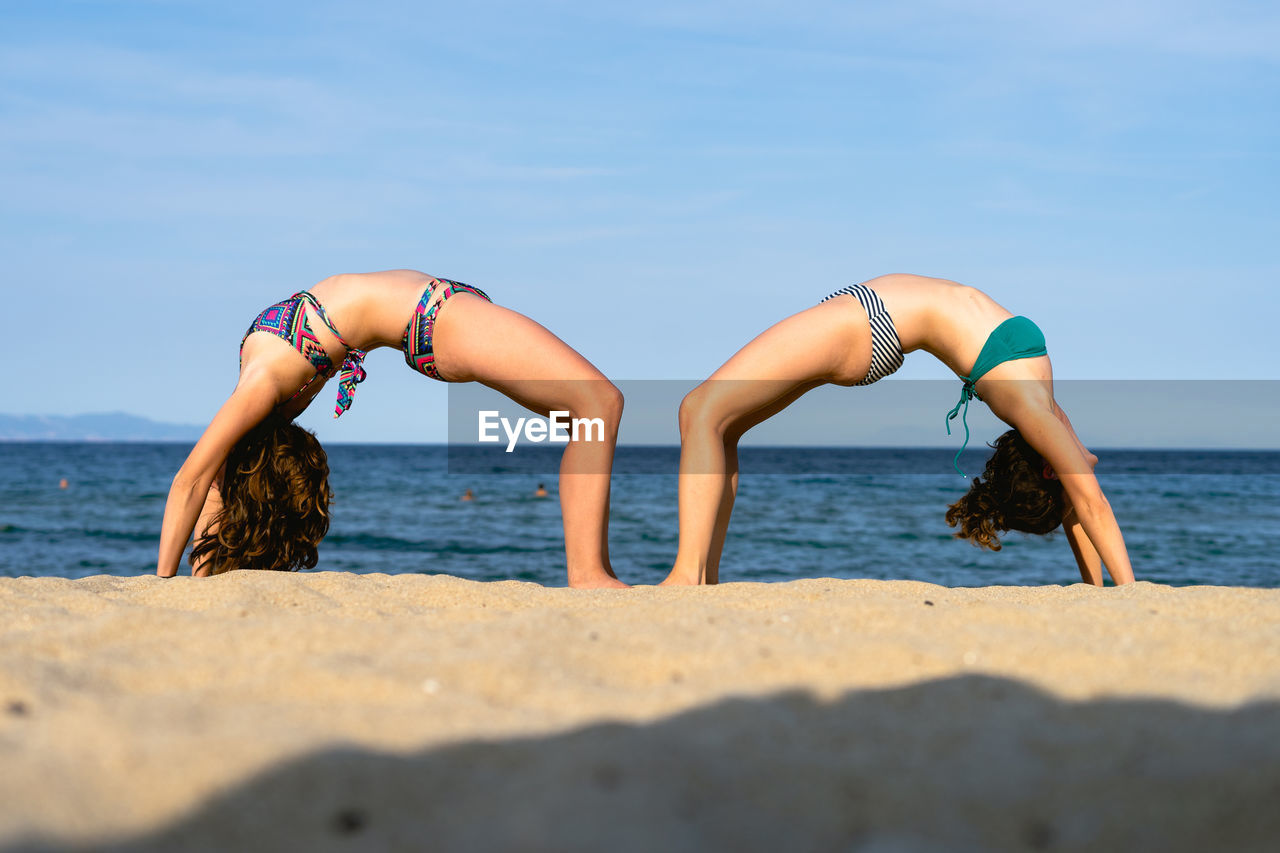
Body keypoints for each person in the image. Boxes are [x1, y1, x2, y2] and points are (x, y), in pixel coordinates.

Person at [158, 269, 626, 588]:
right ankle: (589, 575)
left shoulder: (259, 407)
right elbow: (193, 481)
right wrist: (165, 585)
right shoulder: (261, 383)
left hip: (439, 314)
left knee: (585, 411)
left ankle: (594, 570)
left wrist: (199, 581)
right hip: (435, 317)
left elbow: (209, 479)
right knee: (598, 403)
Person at [663, 273, 1135, 587]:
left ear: (1050, 471)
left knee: (699, 409)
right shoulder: (1046, 411)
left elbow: (1090, 501)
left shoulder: (1032, 409)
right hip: (866, 320)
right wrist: (1096, 588)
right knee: (723, 427)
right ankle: (705, 578)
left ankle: (686, 576)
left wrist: (1130, 591)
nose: (1083, 459)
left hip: (867, 324)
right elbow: (1080, 493)